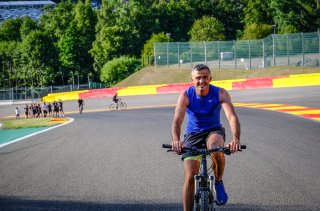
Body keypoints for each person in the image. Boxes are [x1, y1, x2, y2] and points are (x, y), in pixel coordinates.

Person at [171, 64, 241, 211]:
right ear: (192, 79)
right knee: (190, 177)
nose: (202, 81)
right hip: (193, 135)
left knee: (216, 149)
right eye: (198, 78)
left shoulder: (220, 93)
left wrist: (235, 139)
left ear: (210, 78)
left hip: (213, 131)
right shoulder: (186, 95)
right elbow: (177, 121)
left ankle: (219, 182)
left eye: (205, 77)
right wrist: (176, 140)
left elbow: (232, 117)